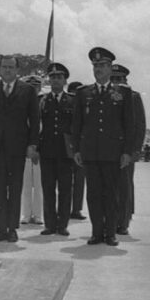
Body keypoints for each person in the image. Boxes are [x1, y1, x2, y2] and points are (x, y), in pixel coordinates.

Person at [71, 48, 137, 246]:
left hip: (113, 154)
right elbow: (77, 124)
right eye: (95, 66)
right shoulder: (84, 93)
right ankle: (96, 232)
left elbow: (129, 125)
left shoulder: (122, 92)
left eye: (102, 65)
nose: (98, 69)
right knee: (93, 195)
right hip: (91, 153)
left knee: (111, 194)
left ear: (110, 68)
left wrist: (127, 152)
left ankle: (110, 233)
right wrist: (76, 149)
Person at [0, 56, 40, 243]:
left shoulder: (27, 91)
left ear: (17, 70)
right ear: (0, 69)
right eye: (4, 67)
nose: (7, 70)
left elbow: (35, 120)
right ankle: (0, 228)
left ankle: (12, 227)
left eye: (11, 67)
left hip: (17, 147)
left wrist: (32, 144)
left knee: (14, 187)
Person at [38, 63, 75, 236]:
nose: (55, 81)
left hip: (66, 152)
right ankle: (49, 224)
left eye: (59, 77)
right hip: (47, 151)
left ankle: (63, 225)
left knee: (66, 190)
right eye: (52, 77)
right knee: (48, 189)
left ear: (65, 80)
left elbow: (76, 127)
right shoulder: (42, 100)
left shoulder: (72, 101)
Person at [110, 63, 146, 236]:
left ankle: (123, 222)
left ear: (126, 80)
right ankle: (109, 220)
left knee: (124, 187)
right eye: (113, 79)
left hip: (127, 149)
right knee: (108, 187)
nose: (116, 82)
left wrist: (136, 149)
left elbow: (140, 125)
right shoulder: (104, 94)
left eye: (119, 79)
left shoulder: (133, 97)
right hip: (107, 149)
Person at [20, 75, 44, 225]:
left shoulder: (43, 103)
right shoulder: (20, 103)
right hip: (23, 149)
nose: (33, 89)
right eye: (30, 86)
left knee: (39, 185)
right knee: (25, 185)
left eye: (36, 87)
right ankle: (26, 214)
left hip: (39, 150)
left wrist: (37, 148)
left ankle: (38, 214)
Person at [66, 80, 87, 220]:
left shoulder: (85, 105)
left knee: (79, 181)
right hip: (66, 144)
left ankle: (76, 209)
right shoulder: (65, 103)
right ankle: (66, 208)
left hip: (81, 146)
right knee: (66, 181)